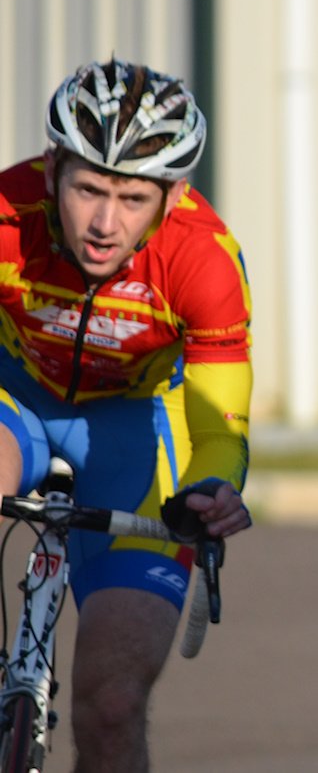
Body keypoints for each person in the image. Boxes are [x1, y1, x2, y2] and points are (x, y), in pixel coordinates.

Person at [0, 58, 253, 771]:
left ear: (173, 196)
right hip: (14, 397)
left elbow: (218, 425)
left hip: (134, 426)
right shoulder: (7, 214)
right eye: (87, 189)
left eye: (132, 197)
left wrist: (212, 487)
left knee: (112, 708)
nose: (106, 224)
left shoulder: (203, 259)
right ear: (51, 170)